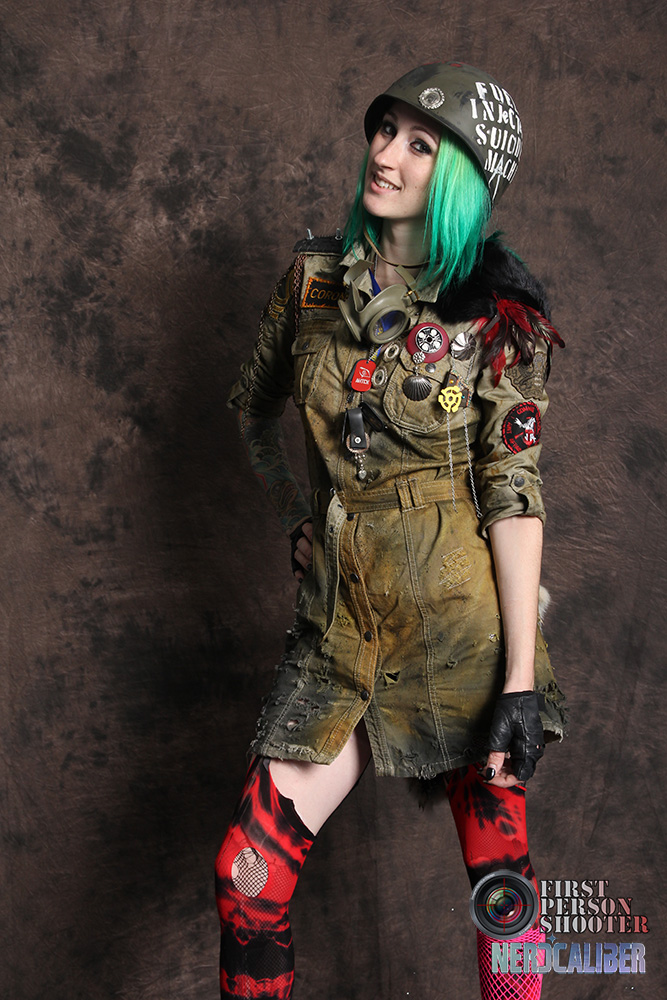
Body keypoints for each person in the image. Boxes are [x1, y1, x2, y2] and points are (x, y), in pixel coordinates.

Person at [216, 62, 567, 1000]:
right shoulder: (312, 283)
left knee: (500, 893)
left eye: (421, 144)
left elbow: (513, 492)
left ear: (461, 181)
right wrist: (295, 513)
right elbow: (250, 410)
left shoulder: (501, 319)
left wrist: (519, 682)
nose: (386, 153)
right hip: (340, 626)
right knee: (246, 878)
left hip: (460, 631)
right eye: (385, 129)